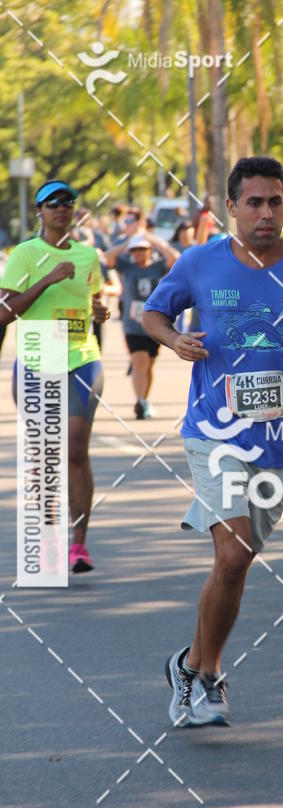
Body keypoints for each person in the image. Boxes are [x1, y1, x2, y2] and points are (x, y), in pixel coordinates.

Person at [142, 156, 283, 728]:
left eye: (275, 202)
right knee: (233, 550)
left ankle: (194, 666)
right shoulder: (199, 263)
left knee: (237, 566)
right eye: (254, 203)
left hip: (276, 441)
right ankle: (208, 680)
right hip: (212, 433)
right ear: (232, 208)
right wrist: (173, 340)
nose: (267, 213)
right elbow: (150, 313)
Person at [0, 179, 110, 572]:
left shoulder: (88, 256)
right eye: (52, 203)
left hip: (82, 355)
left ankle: (77, 546)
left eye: (68, 203)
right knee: (47, 457)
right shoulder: (25, 254)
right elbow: (4, 311)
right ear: (39, 212)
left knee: (76, 450)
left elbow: (94, 300)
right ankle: (47, 540)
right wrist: (47, 279)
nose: (61, 209)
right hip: (37, 355)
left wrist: (100, 312)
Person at [104, 230, 179, 419]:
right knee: (139, 361)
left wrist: (152, 239)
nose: (138, 253)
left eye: (142, 249)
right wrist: (127, 241)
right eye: (134, 250)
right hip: (132, 324)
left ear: (149, 250)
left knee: (149, 364)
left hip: (155, 323)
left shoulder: (157, 267)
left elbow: (174, 258)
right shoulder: (127, 267)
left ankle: (144, 400)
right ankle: (140, 401)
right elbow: (108, 257)